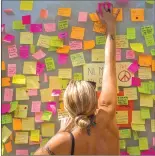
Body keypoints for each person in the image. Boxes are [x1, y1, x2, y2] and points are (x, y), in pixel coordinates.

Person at [34, 5, 120, 155]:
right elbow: (110, 64)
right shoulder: (107, 112)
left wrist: (60, 132)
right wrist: (111, 26)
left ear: (68, 109)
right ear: (94, 100)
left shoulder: (63, 140)